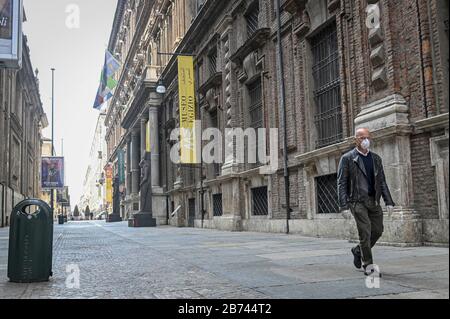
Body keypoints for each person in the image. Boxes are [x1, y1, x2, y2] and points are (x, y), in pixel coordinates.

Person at [337, 128, 395, 276]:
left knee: (378, 230)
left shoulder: (376, 158)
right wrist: (343, 205)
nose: (365, 140)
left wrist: (389, 201)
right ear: (355, 139)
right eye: (362, 137)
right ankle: (368, 265)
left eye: (367, 137)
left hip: (373, 201)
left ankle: (358, 250)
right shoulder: (348, 158)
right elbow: (341, 183)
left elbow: (382, 181)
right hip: (357, 202)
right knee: (365, 232)